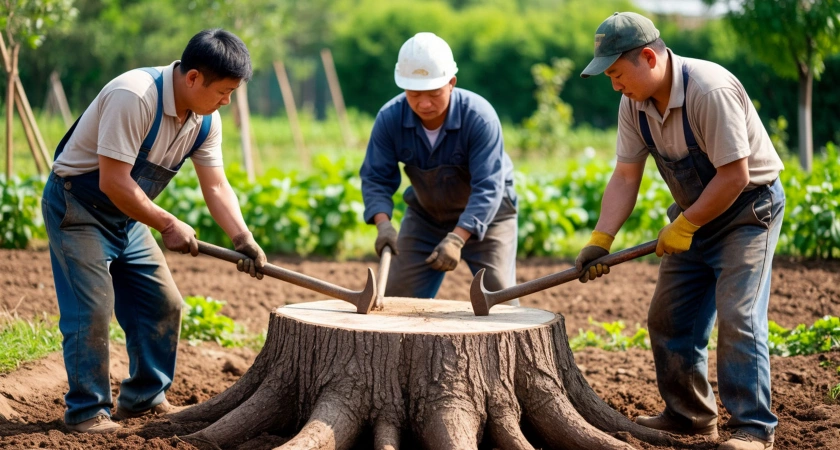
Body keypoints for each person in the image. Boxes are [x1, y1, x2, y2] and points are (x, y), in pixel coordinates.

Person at [575, 12, 784, 450]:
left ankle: (753, 429)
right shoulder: (634, 103)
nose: (614, 84)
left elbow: (734, 176)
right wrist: (601, 238)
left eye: (616, 73)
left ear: (647, 57)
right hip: (694, 214)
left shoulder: (709, 90)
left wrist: (686, 224)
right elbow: (626, 176)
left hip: (748, 212)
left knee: (738, 316)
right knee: (669, 318)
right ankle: (689, 416)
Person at [42, 29, 267, 434]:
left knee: (163, 303)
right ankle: (86, 412)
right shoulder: (135, 96)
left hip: (126, 216)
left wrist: (242, 238)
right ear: (194, 78)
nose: (227, 101)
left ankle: (144, 397)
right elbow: (113, 181)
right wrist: (168, 223)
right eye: (224, 91)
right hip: (79, 206)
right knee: (91, 310)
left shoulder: (203, 120)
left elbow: (215, 185)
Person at [360, 32, 518, 301]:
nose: (423, 104)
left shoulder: (480, 118)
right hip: (427, 217)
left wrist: (457, 238)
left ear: (451, 83)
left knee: (500, 299)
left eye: (433, 93)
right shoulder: (390, 118)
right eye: (414, 94)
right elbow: (376, 178)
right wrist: (383, 225)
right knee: (395, 300)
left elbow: (489, 187)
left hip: (490, 218)